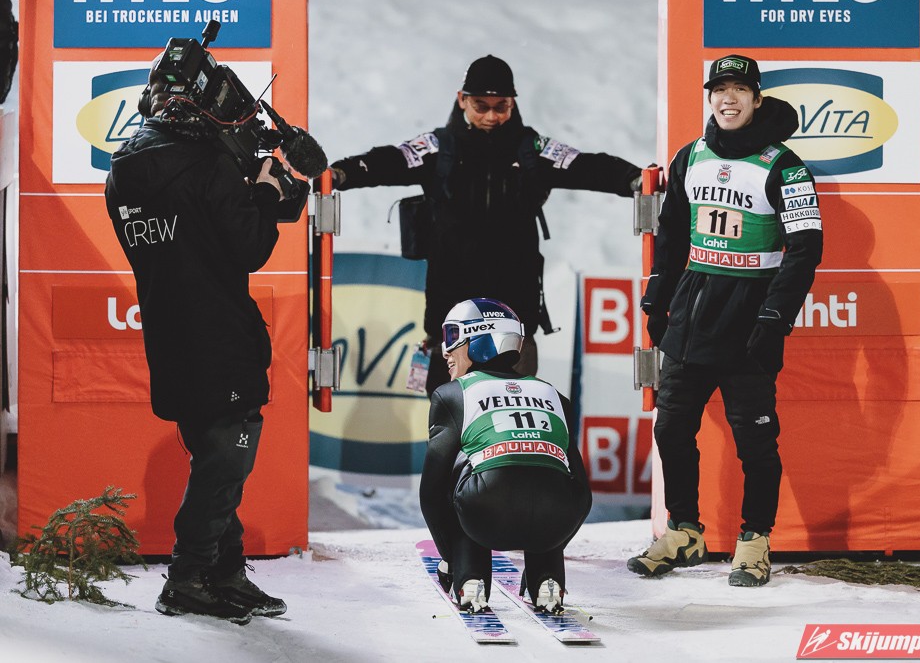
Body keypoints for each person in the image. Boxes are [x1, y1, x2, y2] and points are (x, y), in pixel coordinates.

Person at [328, 55, 643, 395]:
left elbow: (588, 167)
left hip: (514, 318)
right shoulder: (439, 148)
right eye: (481, 106)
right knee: (450, 416)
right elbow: (388, 161)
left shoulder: (532, 150)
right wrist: (341, 173)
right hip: (451, 319)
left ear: (513, 103)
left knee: (512, 412)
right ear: (462, 99)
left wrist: (635, 179)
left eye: (501, 106)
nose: (492, 116)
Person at [104, 64, 293, 623]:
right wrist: (264, 192)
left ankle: (224, 572)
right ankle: (187, 578)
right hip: (221, 337)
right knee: (227, 460)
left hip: (170, 338)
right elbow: (251, 248)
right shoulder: (210, 166)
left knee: (213, 458)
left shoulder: (122, 171)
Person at [627, 54, 823, 587]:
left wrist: (774, 319)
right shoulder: (689, 156)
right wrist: (656, 300)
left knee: (754, 442)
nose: (728, 99)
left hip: (750, 321)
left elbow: (806, 249)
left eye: (739, 90)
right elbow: (672, 236)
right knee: (670, 428)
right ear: (710, 97)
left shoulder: (786, 166)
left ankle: (755, 541)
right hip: (692, 315)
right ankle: (683, 531)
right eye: (719, 90)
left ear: (757, 99)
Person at [419, 298, 592, 613]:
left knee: (461, 468)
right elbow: (581, 489)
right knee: (546, 470)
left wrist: (449, 556)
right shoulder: (555, 395)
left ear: (479, 340)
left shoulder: (452, 393)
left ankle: (470, 577)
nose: (445, 351)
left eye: (453, 336)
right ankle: (547, 579)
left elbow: (431, 491)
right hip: (557, 518)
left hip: (486, 514)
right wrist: (554, 539)